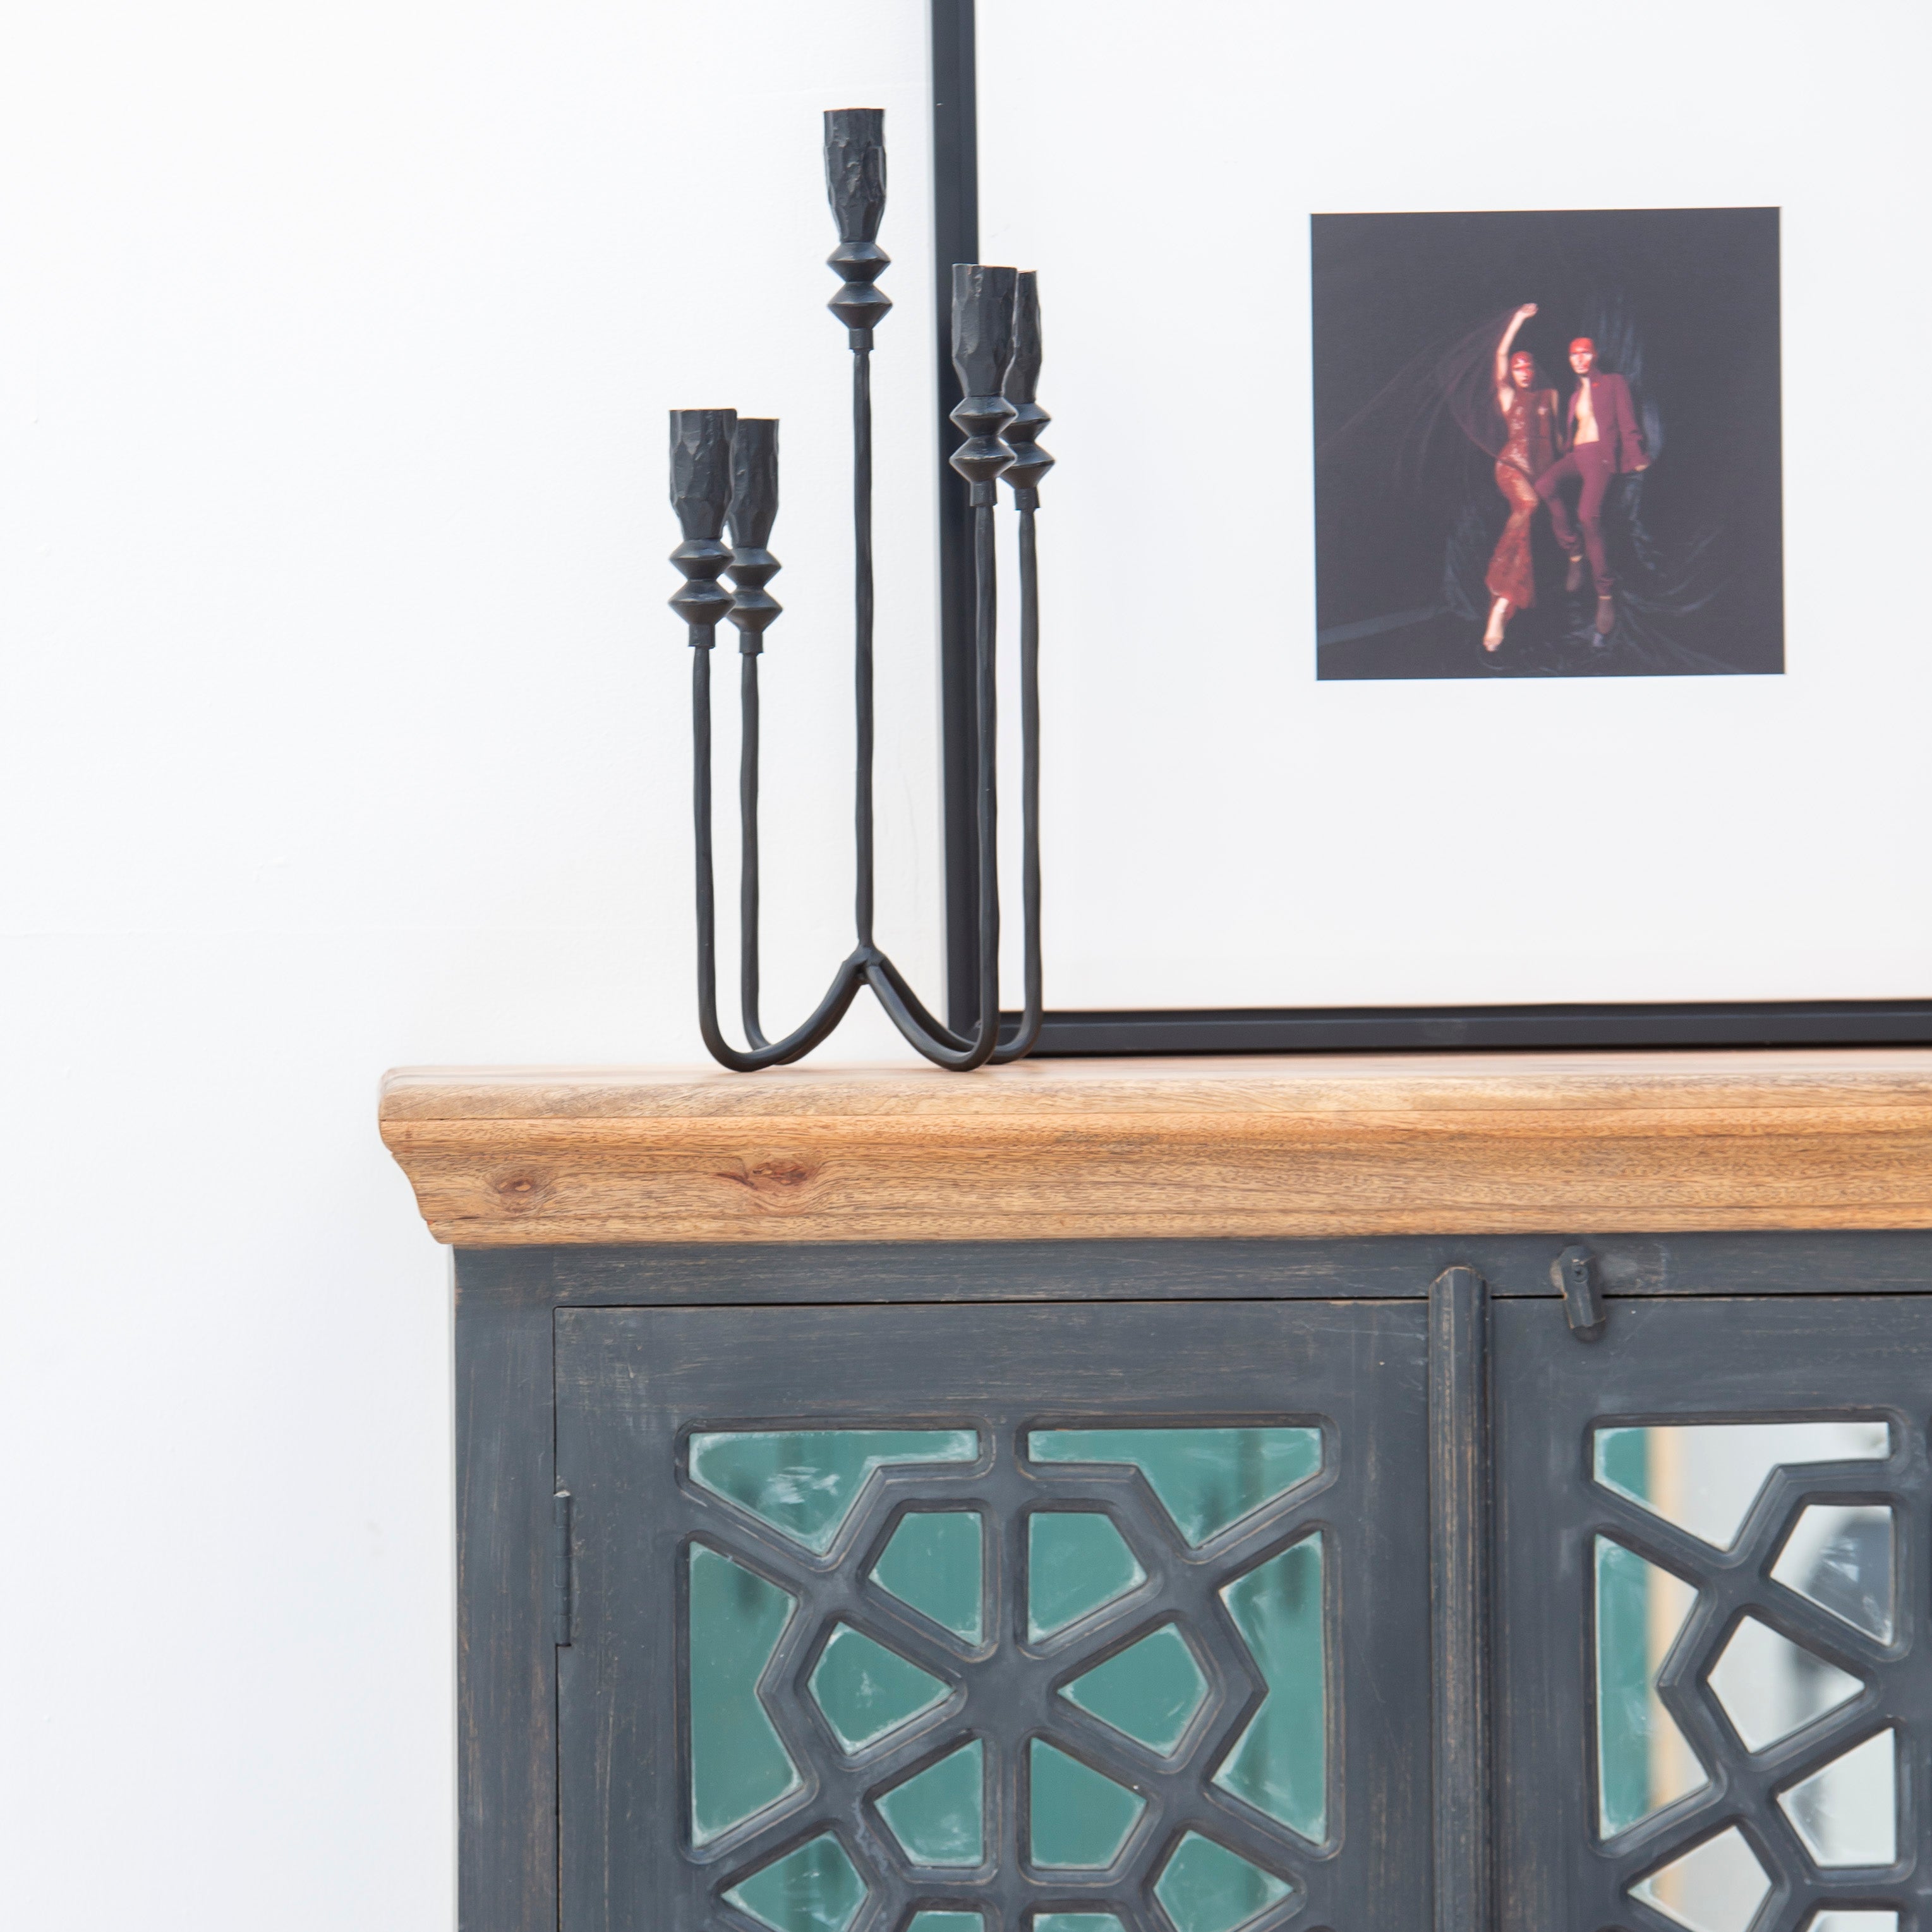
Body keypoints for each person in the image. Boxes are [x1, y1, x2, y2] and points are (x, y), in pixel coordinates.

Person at [1535, 337, 1648, 634]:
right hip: (1577, 455)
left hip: (1600, 455)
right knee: (1545, 485)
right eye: (1574, 354)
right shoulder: (1574, 395)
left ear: (1595, 355)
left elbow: (1627, 420)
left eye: (1585, 353)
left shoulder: (1613, 383)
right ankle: (1574, 551)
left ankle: (1604, 594)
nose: (1580, 359)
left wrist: (1636, 454)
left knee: (1588, 516)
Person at [1480, 304, 1561, 651]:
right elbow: (1500, 354)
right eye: (1518, 368)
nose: (1523, 373)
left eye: (1528, 367)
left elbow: (1559, 441)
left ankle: (1503, 602)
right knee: (1528, 506)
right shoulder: (1508, 395)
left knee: (1528, 519)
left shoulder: (1551, 396)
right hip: (1511, 467)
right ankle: (1500, 606)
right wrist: (1517, 320)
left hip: (1540, 471)